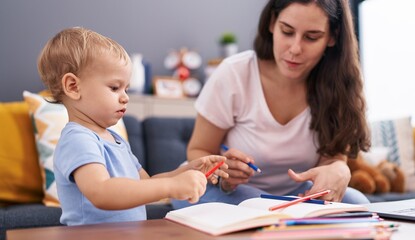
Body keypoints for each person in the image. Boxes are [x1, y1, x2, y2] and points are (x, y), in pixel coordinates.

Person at [172, 0, 371, 210]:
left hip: (292, 194)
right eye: (287, 32)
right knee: (260, 207)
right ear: (272, 24)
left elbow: (333, 160)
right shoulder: (235, 73)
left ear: (332, 37)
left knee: (359, 205)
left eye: (311, 37)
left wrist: (340, 169)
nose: (295, 49)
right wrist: (224, 172)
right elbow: (198, 150)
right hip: (215, 188)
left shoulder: (340, 84)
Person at [37, 27, 228, 226]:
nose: (125, 97)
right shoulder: (77, 139)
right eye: (114, 87)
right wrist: (171, 186)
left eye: (126, 88)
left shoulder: (115, 139)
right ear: (73, 87)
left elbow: (145, 185)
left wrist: (187, 170)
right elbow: (101, 191)